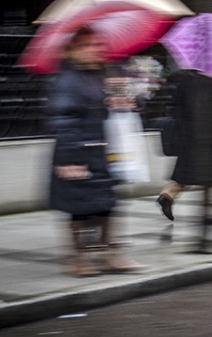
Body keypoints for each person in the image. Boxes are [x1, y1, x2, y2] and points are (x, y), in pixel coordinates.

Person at [48, 26, 144, 277]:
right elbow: (63, 120)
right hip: (77, 153)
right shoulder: (67, 79)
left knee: (107, 205)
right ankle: (77, 258)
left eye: (99, 45)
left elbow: (128, 105)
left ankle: (112, 254)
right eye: (88, 45)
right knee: (78, 209)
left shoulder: (107, 73)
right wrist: (71, 158)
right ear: (73, 50)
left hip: (103, 151)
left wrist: (129, 98)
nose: (96, 49)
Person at [155, 69, 212, 251]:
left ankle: (167, 195)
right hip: (208, 135)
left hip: (187, 135)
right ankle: (206, 225)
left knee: (190, 174)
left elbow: (173, 104)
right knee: (207, 179)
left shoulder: (184, 76)